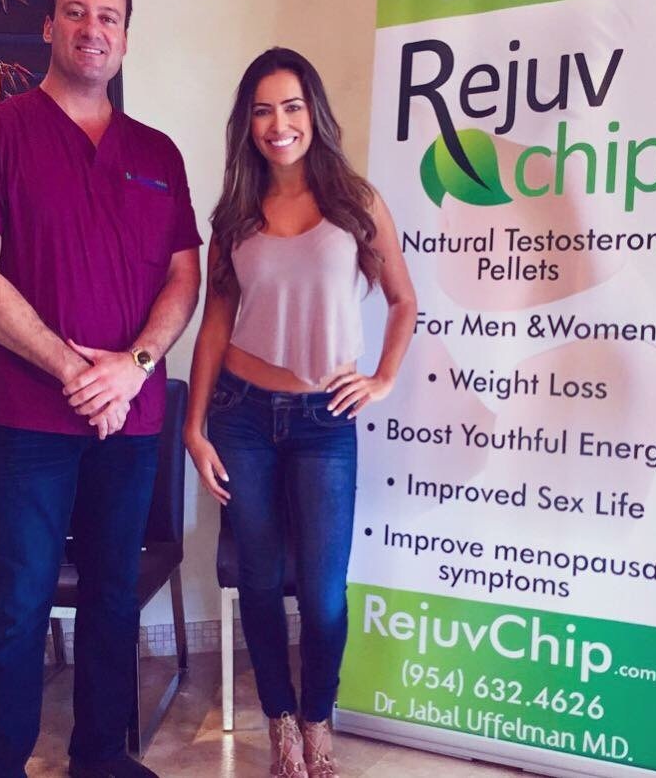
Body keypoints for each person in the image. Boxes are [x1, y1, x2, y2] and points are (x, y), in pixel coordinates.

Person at [0, 0, 201, 778]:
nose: (93, 29)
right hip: (28, 421)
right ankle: (2, 764)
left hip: (132, 419)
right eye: (76, 13)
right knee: (20, 601)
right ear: (48, 27)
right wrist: (76, 371)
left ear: (126, 37)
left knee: (115, 596)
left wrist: (134, 366)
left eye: (109, 17)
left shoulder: (157, 153)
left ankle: (101, 757)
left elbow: (183, 277)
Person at [184, 47, 417, 777]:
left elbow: (403, 300)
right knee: (258, 581)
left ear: (313, 112)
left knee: (321, 595)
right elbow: (215, 323)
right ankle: (280, 722)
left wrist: (382, 378)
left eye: (290, 106)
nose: (277, 124)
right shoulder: (234, 217)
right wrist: (193, 426)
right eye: (262, 110)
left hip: (324, 422)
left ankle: (318, 716)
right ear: (246, 124)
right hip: (243, 416)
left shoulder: (355, 202)